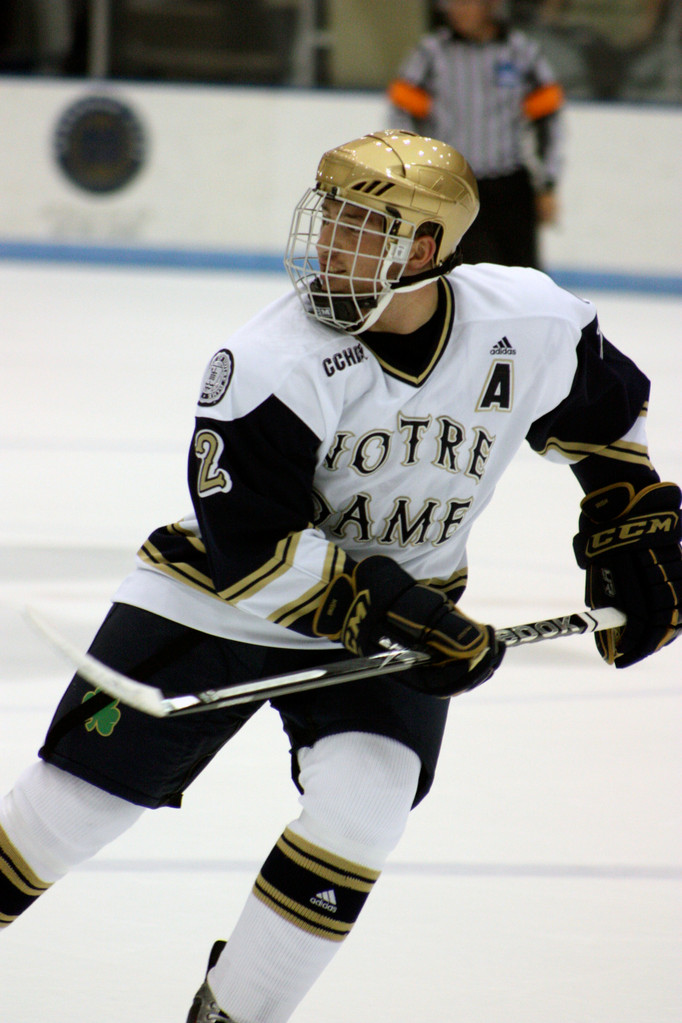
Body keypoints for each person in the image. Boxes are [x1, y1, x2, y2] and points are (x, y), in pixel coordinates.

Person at [1, 129, 680, 1023]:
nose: (330, 244)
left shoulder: (529, 321)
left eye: (362, 229)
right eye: (330, 219)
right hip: (219, 606)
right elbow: (254, 552)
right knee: (75, 809)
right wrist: (406, 614)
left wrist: (629, 520)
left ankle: (236, 1012)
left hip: (397, 620)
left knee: (366, 806)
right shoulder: (267, 362)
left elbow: (604, 416)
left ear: (426, 249)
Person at [388, 0, 565, 268]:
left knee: (522, 276)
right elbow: (402, 115)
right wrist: (416, 175)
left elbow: (548, 120)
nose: (455, 9)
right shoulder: (430, 53)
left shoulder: (522, 52)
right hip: (453, 188)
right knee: (464, 273)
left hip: (510, 188)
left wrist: (548, 185)